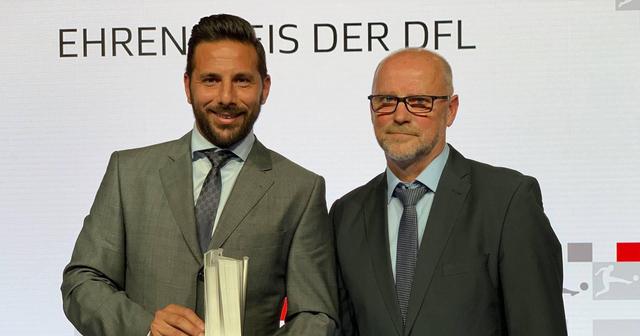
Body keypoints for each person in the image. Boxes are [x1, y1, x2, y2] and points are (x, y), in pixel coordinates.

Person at [62, 14, 337, 336]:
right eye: (210, 80)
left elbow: (316, 315)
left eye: (242, 80)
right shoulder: (129, 172)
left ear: (265, 88)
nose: (225, 97)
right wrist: (145, 328)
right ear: (187, 86)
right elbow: (82, 281)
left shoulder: (300, 190)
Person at [331, 48, 567, 335]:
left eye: (419, 102)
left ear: (451, 110)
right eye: (386, 101)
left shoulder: (508, 201)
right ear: (372, 110)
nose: (400, 115)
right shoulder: (346, 215)